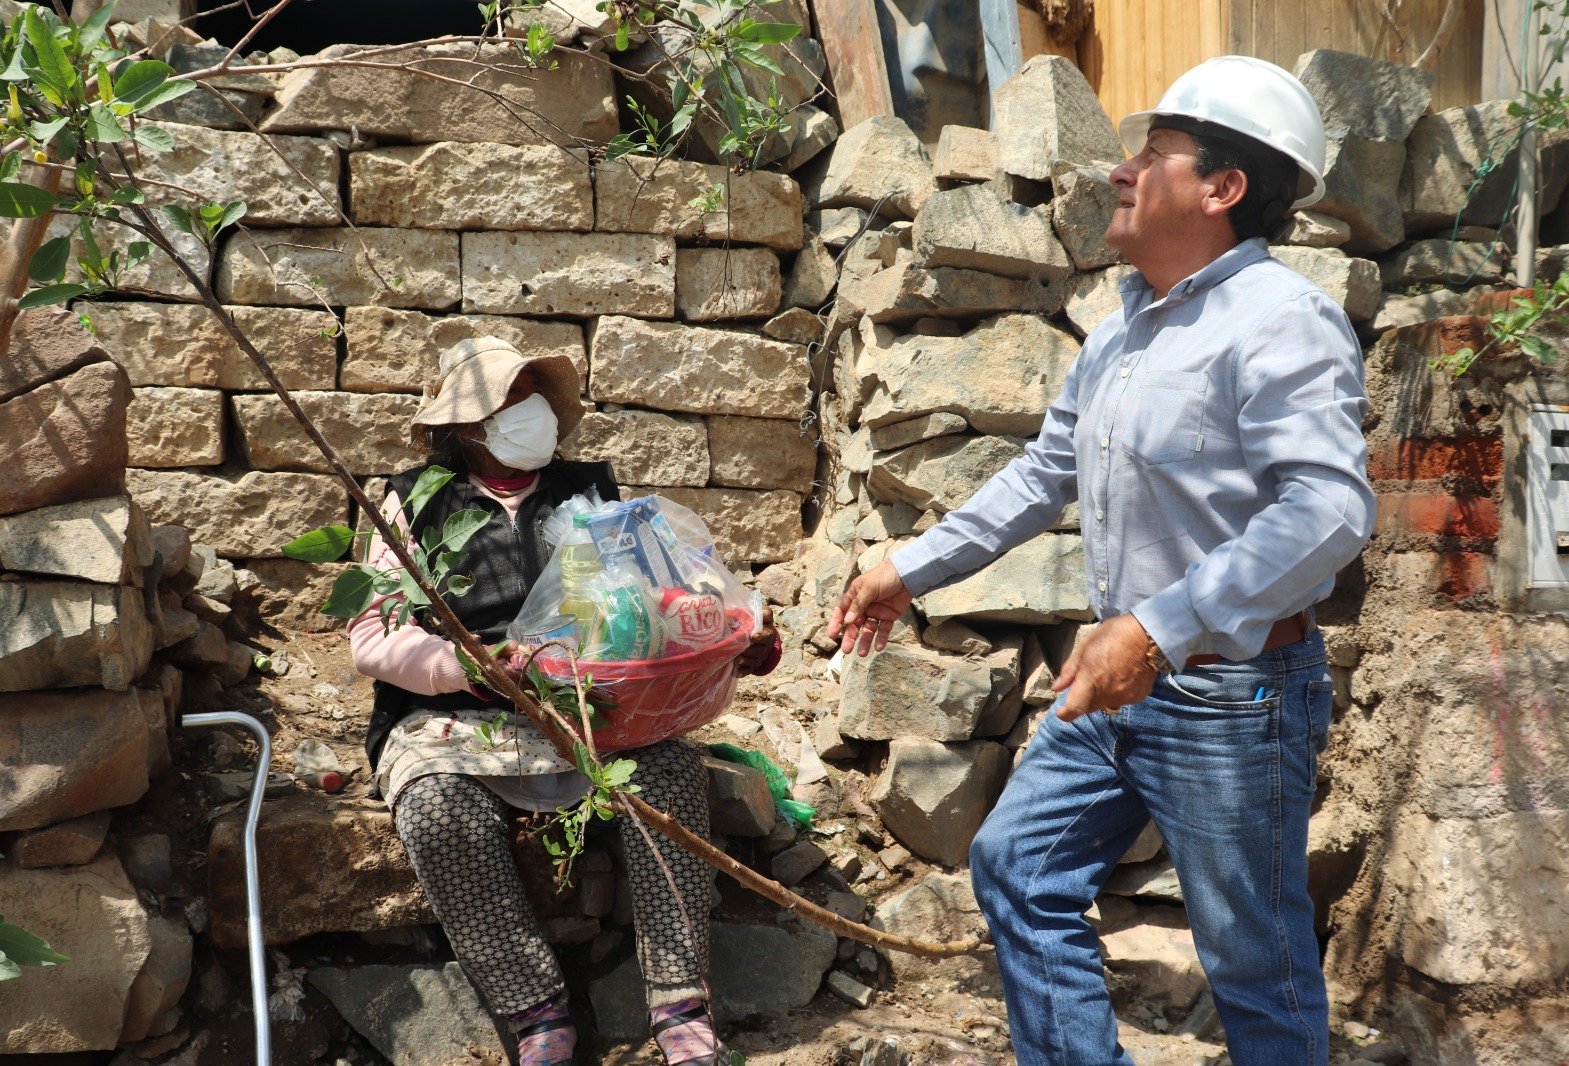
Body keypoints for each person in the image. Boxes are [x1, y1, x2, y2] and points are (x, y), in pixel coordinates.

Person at [829, 56, 1375, 1066]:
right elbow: (1041, 475)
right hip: (1119, 679)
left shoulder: (1277, 320)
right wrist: (912, 564)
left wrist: (1158, 627)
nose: (1122, 173)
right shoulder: (1120, 326)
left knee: (1254, 961)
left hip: (1231, 694)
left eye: (1153, 155)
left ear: (1221, 189)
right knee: (1016, 869)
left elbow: (1330, 507)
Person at [349, 336, 779, 1066]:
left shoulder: (592, 496)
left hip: (591, 711)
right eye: (511, 403)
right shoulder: (411, 503)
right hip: (460, 715)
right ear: (467, 427)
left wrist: (733, 632)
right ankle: (537, 1013)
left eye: (536, 399)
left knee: (670, 773)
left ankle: (680, 1003)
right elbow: (370, 637)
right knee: (436, 806)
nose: (534, 415)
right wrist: (468, 666)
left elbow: (660, 593)